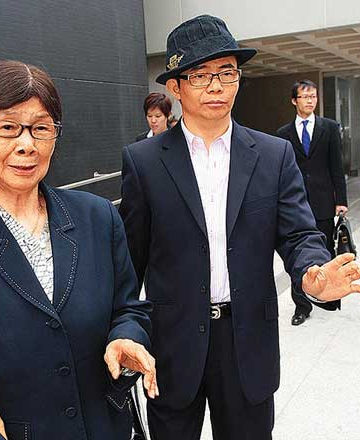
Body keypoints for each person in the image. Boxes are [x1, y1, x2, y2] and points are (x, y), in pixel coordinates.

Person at [119, 15, 360, 440]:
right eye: (200, 75)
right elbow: (129, 262)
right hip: (173, 344)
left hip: (248, 339)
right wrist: (123, 331)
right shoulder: (144, 162)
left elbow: (299, 234)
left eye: (227, 72)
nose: (216, 86)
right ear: (175, 87)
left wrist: (312, 273)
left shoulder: (273, 155)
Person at [0, 60, 158, 440]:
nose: (26, 145)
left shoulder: (97, 218)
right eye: (8, 127)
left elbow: (128, 308)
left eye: (41, 128)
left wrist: (127, 337)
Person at [277, 79, 348, 326]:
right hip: (295, 204)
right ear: (294, 100)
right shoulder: (283, 134)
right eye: (305, 96)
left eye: (313, 96)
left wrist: (341, 200)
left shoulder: (329, 128)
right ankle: (301, 306)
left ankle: (328, 296)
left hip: (323, 200)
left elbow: (337, 166)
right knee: (297, 255)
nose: (310, 101)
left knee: (325, 251)